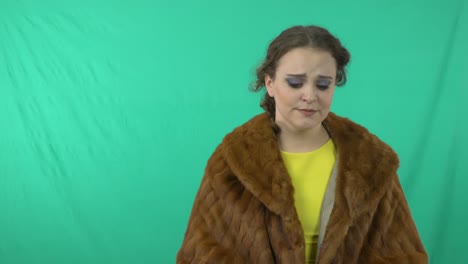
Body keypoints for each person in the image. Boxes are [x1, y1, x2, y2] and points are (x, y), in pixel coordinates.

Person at [176, 25, 428, 264]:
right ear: (270, 83)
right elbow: (202, 253)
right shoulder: (233, 160)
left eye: (323, 84)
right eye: (295, 83)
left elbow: (401, 253)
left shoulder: (372, 161)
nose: (310, 95)